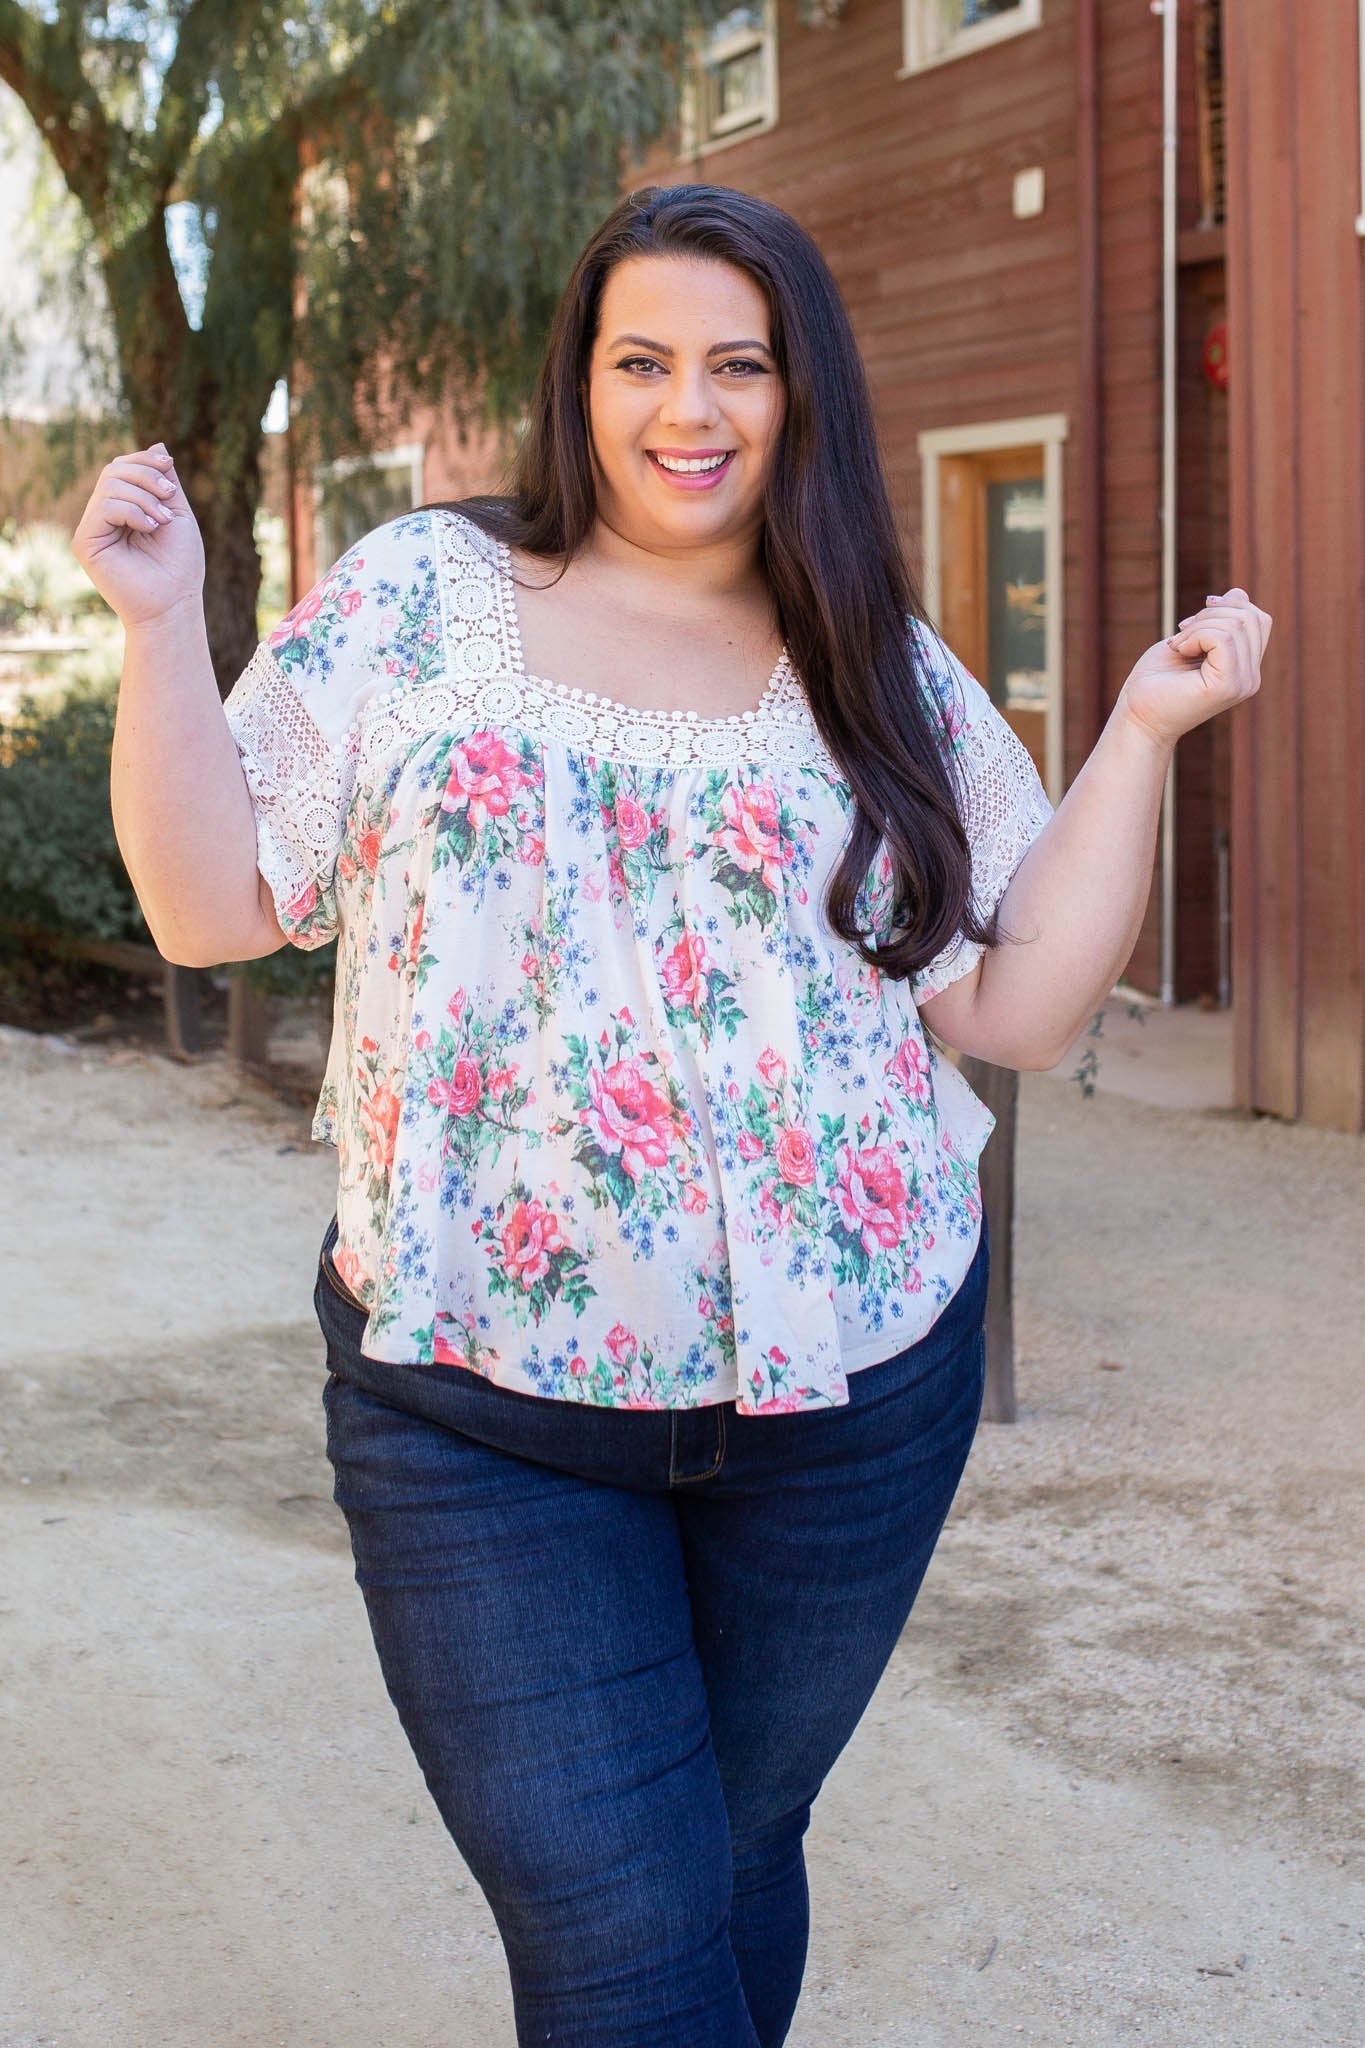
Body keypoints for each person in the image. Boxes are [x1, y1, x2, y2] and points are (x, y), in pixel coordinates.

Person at [74, 183, 1269, 2048]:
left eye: (738, 364)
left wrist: (1140, 729)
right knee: (621, 1925)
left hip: (854, 1405)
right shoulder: (423, 598)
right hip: (480, 1414)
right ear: (582, 380)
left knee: (727, 1848)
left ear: (802, 398)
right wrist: (161, 627)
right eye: (641, 360)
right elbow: (211, 906)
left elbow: (1017, 1005)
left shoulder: (870, 657)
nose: (684, 409)